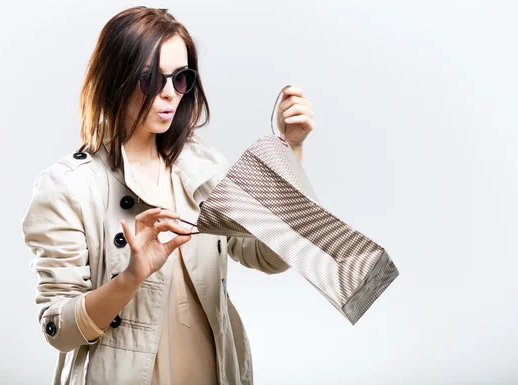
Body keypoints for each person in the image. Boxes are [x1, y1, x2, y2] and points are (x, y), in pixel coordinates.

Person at [22, 6, 315, 385]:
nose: (168, 94)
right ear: (114, 78)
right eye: (149, 79)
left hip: (216, 368)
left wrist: (290, 151)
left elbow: (268, 257)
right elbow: (58, 329)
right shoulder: (68, 186)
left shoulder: (202, 165)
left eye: (180, 78)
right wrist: (131, 276)